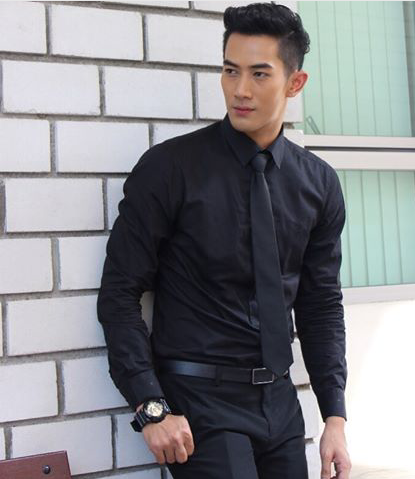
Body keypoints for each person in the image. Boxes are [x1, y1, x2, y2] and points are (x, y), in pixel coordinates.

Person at [97, 3, 350, 478]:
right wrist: (150, 405)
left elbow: (320, 304)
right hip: (199, 405)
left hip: (280, 404)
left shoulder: (318, 184)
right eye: (231, 71)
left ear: (295, 83)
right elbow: (119, 293)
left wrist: (333, 416)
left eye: (259, 74)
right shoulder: (170, 169)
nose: (240, 89)